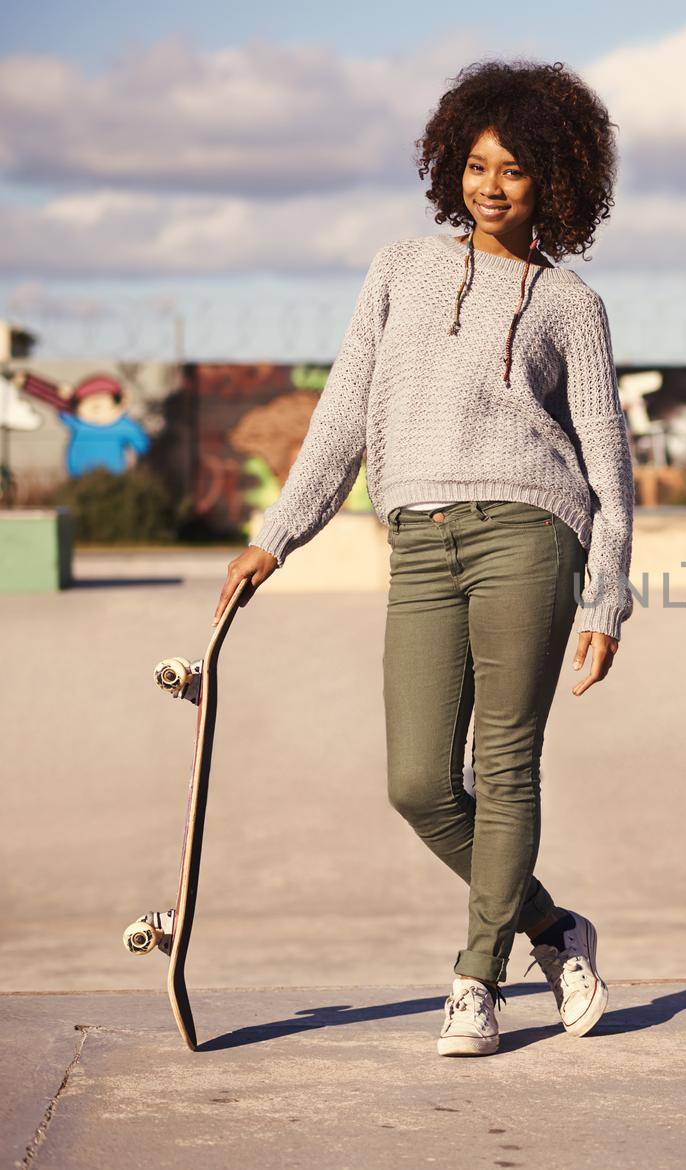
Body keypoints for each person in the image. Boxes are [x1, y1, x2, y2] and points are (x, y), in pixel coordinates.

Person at [212, 60, 635, 1057]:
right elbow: (343, 415)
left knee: (505, 759)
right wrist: (275, 535)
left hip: (528, 535)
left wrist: (606, 595)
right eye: (479, 166)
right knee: (417, 784)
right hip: (418, 542)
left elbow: (609, 462)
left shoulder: (569, 305)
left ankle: (474, 981)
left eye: (516, 171)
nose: (492, 186)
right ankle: (550, 929)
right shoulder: (398, 267)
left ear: (554, 183)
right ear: (452, 166)